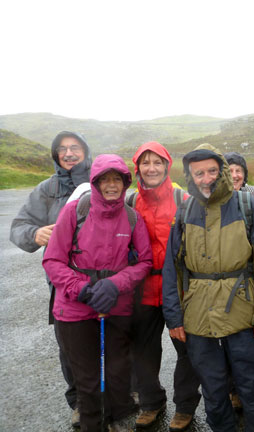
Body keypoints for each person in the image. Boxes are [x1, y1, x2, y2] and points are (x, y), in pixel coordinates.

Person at [162, 143, 254, 432]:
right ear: (190, 176)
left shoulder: (246, 205)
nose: (206, 178)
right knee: (213, 391)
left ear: (223, 171)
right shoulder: (185, 209)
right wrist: (174, 318)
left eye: (212, 170)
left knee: (251, 386)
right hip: (198, 315)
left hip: (242, 310)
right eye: (198, 173)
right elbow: (173, 267)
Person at [42, 154, 153, 432]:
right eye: (105, 180)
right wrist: (84, 290)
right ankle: (93, 426)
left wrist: (115, 285)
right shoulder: (74, 212)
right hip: (75, 310)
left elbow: (144, 262)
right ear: (95, 182)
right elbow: (53, 260)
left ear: (125, 182)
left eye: (117, 179)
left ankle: (116, 421)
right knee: (88, 381)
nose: (112, 185)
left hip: (116, 306)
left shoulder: (131, 217)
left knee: (117, 375)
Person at [10, 131, 92, 427]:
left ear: (86, 150)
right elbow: (19, 225)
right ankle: (81, 402)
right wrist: (35, 233)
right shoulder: (47, 189)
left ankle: (122, 393)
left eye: (75, 148)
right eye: (62, 149)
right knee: (71, 347)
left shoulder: (103, 180)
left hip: (104, 281)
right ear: (56, 155)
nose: (69, 153)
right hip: (63, 285)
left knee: (116, 339)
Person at [129, 142, 202, 431]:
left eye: (157, 162)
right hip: (142, 289)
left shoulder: (183, 198)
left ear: (167, 166)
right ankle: (151, 401)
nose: (151, 168)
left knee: (187, 349)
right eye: (145, 163)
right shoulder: (130, 202)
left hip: (178, 288)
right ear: (137, 168)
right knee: (142, 350)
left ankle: (184, 406)